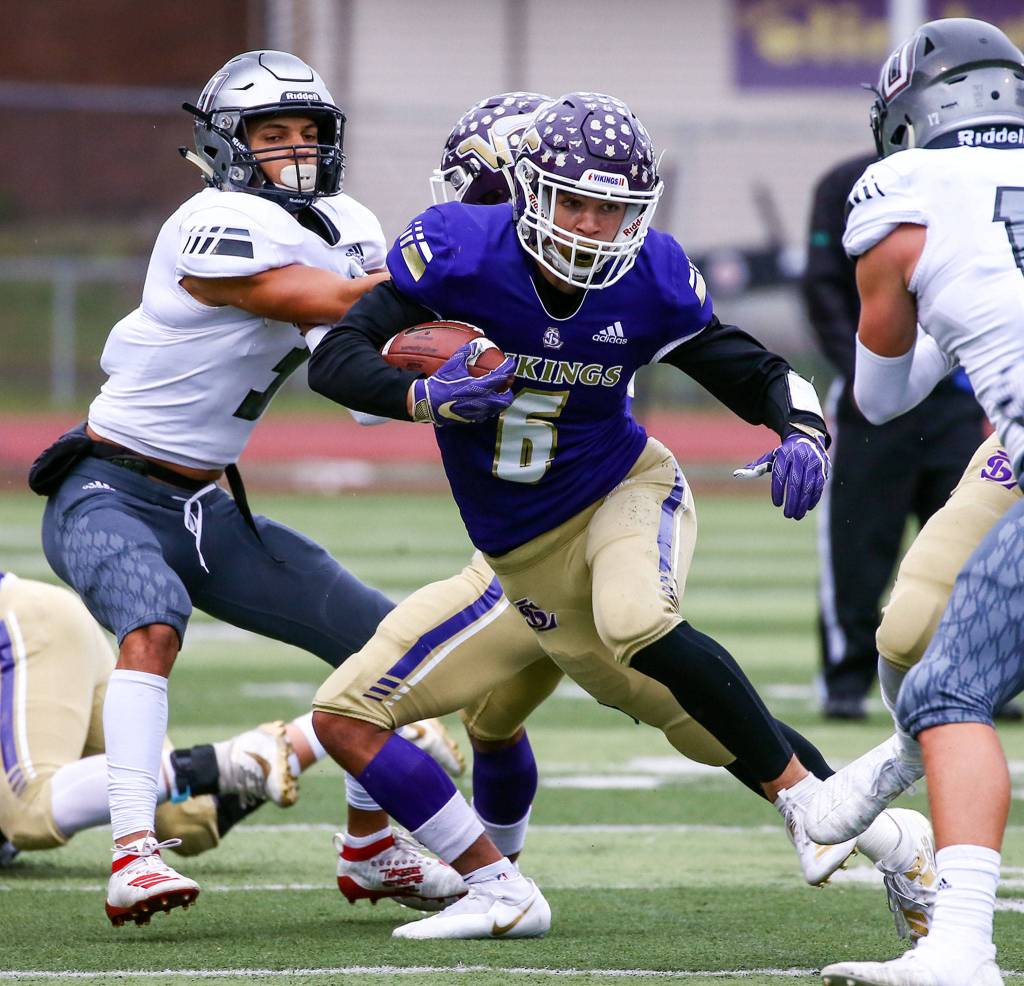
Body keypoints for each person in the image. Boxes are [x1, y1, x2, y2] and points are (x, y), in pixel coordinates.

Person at [306, 91, 936, 942]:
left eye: (611, 209)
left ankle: (805, 806)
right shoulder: (459, 255)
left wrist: (804, 429)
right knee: (667, 717)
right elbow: (338, 357)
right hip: (519, 561)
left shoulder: (648, 276)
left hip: (621, 495)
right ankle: (885, 838)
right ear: (526, 191)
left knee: (637, 621)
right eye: (574, 202)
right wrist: (422, 397)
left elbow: (748, 367)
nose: (592, 227)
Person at [30, 50, 465, 927]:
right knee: (153, 624)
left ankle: (371, 846)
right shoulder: (209, 221)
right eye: (273, 134)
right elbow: (323, 299)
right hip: (107, 489)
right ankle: (132, 852)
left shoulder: (345, 221)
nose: (297, 148)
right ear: (229, 144)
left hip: (210, 508)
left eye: (309, 131)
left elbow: (357, 377)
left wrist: (446, 376)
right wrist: (463, 269)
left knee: (382, 645)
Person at [800, 18, 1024, 986]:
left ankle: (961, 945)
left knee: (947, 689)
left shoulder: (901, 197)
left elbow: (882, 396)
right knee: (933, 658)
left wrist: (947, 302)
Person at [803, 153, 986, 720]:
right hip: (871, 399)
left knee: (972, 543)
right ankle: (846, 677)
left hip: (957, 397)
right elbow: (822, 286)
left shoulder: (976, 175)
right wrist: (865, 370)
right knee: (858, 544)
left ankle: (978, 676)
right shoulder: (845, 181)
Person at [0, 568, 297, 883]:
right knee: (188, 821)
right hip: (43, 618)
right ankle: (314, 732)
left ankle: (224, 761)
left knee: (31, 807)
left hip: (21, 618)